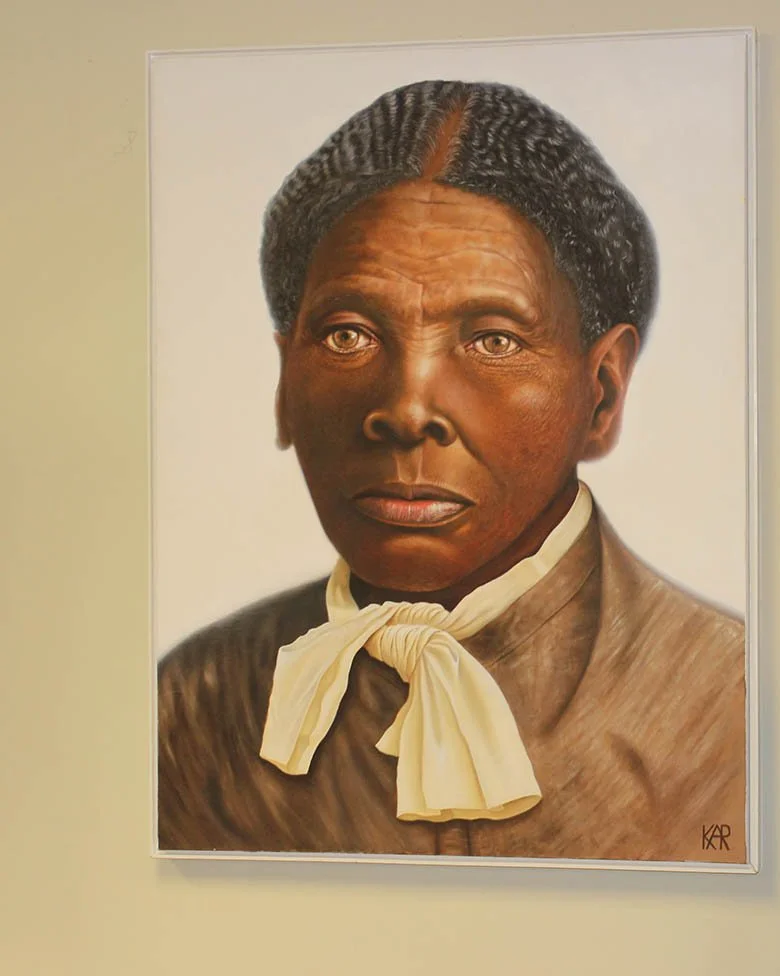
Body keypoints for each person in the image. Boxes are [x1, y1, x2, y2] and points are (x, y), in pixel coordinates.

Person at [156, 80, 747, 863]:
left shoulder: (729, 707)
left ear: (600, 393)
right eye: (347, 335)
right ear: (282, 384)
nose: (405, 409)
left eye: (493, 340)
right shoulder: (192, 706)